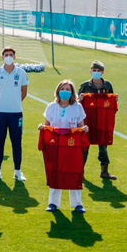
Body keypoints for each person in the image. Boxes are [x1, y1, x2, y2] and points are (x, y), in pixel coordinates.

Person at [40, 79, 88, 212]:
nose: (65, 92)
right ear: (58, 91)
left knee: (73, 172)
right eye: (62, 89)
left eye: (68, 89)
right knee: (55, 171)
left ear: (72, 93)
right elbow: (46, 126)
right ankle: (53, 203)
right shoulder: (51, 107)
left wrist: (84, 129)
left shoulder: (77, 107)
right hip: (55, 146)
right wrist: (42, 128)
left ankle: (77, 203)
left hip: (72, 146)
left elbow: (81, 126)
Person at [0, 47, 28, 181]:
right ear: (2, 57)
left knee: (16, 143)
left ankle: (17, 172)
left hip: (16, 113)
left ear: (14, 57)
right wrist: (0, 103)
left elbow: (24, 92)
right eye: (6, 55)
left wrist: (15, 102)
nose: (9, 57)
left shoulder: (21, 73)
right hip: (0, 113)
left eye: (11, 54)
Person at [77, 60, 116, 179]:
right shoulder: (85, 86)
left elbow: (111, 102)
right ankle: (80, 172)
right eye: (94, 70)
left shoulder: (107, 85)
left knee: (103, 146)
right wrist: (80, 98)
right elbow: (76, 103)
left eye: (99, 71)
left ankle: (104, 171)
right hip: (88, 121)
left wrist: (114, 99)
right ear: (90, 71)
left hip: (102, 121)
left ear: (103, 72)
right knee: (85, 145)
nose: (96, 72)